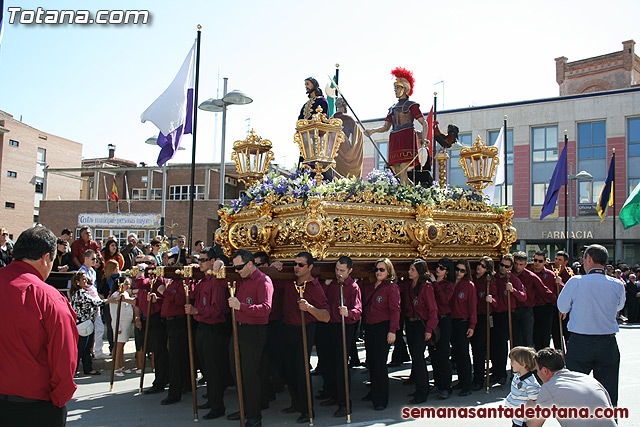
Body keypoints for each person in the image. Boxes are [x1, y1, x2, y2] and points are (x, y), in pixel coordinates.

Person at [0, 226, 78, 427]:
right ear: (46, 258)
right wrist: (58, 401)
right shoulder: (49, 298)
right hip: (34, 406)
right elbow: (65, 357)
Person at [557, 244, 625, 407]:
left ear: (588, 259)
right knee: (608, 394)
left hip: (580, 342)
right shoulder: (617, 284)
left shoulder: (576, 282)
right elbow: (618, 307)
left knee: (575, 393)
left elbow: (562, 307)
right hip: (607, 342)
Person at [225, 249, 273, 427]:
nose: (236, 270)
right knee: (236, 371)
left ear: (250, 264)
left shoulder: (263, 281)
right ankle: (244, 408)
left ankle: (254, 415)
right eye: (235, 267)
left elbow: (266, 309)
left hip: (254, 332)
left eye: (239, 267)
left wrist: (241, 306)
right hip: (238, 329)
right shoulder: (242, 279)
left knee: (249, 374)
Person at [185, 247, 233, 420]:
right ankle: (212, 400)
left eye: (203, 260)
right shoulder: (203, 281)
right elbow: (192, 295)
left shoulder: (217, 282)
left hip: (214, 330)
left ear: (212, 261)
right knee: (206, 368)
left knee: (214, 369)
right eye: (199, 260)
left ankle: (217, 405)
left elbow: (218, 309)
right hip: (202, 328)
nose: (200, 263)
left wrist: (197, 311)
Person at [281, 251, 330, 423]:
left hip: (304, 329)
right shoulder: (289, 282)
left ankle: (308, 410)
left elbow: (326, 316)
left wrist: (309, 308)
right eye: (295, 264)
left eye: (301, 265)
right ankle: (296, 403)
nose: (296, 267)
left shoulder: (315, 288)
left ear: (310, 267)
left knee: (302, 371)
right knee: (289, 370)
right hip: (288, 329)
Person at [365, 67, 430, 184]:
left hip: (406, 137)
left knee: (404, 171)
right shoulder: (392, 108)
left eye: (397, 88)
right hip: (395, 139)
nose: (395, 90)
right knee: (399, 173)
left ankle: (404, 197)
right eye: (394, 88)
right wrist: (372, 131)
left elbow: (424, 123)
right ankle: (415, 192)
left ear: (405, 89)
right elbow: (386, 127)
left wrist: (424, 139)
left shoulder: (411, 105)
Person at [526, 348, 617, 427]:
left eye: (537, 370)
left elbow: (533, 425)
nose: (537, 374)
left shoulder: (549, 387)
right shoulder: (587, 379)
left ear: (545, 371)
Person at [319, 256, 362, 417]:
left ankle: (345, 403)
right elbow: (320, 300)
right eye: (337, 269)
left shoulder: (353, 286)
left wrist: (348, 312)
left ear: (350, 271)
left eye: (342, 270)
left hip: (345, 326)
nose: (338, 273)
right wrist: (326, 285)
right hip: (329, 325)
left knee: (341, 365)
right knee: (328, 362)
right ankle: (333, 394)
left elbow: (358, 311)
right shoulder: (332, 283)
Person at [362, 258, 401, 410]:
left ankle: (381, 399)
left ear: (389, 272)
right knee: (372, 362)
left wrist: (392, 331)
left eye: (382, 269)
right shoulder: (370, 287)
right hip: (370, 328)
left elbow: (395, 310)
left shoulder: (391, 288)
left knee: (379, 364)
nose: (378, 272)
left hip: (383, 328)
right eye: (377, 269)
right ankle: (373, 392)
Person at [400, 259, 438, 403]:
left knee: (418, 357)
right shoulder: (409, 285)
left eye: (412, 270)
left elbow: (432, 309)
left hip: (421, 325)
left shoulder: (426, 287)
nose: (409, 272)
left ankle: (423, 391)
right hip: (410, 324)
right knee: (415, 357)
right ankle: (419, 388)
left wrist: (429, 328)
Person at [488, 254, 526, 385]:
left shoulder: (513, 280)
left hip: (507, 314)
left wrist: (513, 290)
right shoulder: (493, 278)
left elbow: (523, 297)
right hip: (495, 314)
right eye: (502, 265)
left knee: (502, 345)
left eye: (506, 266)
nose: (503, 268)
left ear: (511, 267)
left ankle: (503, 373)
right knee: (494, 344)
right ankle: (496, 371)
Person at [135, 256, 170, 395]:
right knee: (154, 349)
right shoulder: (146, 277)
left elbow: (140, 283)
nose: (142, 266)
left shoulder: (157, 278)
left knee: (159, 351)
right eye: (140, 263)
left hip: (157, 318)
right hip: (147, 316)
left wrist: (142, 270)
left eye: (147, 263)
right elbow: (139, 297)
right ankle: (163, 378)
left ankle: (161, 380)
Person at [513, 251, 553, 349]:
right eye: (516, 264)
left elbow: (545, 291)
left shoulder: (531, 276)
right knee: (516, 340)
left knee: (528, 340)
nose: (518, 267)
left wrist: (559, 302)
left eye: (521, 264)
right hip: (513, 310)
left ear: (525, 265)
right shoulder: (510, 276)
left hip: (527, 310)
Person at [450, 259, 477, 396]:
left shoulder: (469, 285)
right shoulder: (452, 283)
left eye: (462, 270)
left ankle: (467, 384)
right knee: (457, 354)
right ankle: (461, 380)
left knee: (464, 353)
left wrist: (472, 325)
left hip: (463, 322)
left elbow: (472, 307)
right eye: (457, 269)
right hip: (452, 321)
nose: (459, 273)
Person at [430, 258, 456, 399]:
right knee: (433, 353)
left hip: (444, 319)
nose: (438, 270)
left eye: (441, 268)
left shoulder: (449, 284)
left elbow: (444, 299)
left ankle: (446, 386)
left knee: (443, 353)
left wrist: (435, 283)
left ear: (446, 271)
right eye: (437, 267)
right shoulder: (431, 283)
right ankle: (437, 382)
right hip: (432, 319)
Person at [470, 256, 496, 391]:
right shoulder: (472, 280)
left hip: (484, 317)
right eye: (478, 264)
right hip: (472, 317)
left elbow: (497, 302)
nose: (479, 267)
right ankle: (475, 375)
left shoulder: (489, 282)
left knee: (481, 349)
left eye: (483, 266)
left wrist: (491, 300)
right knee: (475, 349)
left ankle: (480, 378)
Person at [529, 251, 560, 350]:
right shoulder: (529, 273)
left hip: (546, 307)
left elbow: (558, 289)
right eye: (535, 260)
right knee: (533, 335)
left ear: (545, 262)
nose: (537, 263)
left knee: (545, 335)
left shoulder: (550, 274)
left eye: (540, 261)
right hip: (533, 307)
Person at [505, 346, 541, 427]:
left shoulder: (531, 384)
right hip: (516, 417)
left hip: (523, 422)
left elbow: (535, 402)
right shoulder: (516, 376)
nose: (511, 363)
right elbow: (514, 394)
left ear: (523, 364)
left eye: (513, 361)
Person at [108, 276, 136, 377]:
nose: (128, 286)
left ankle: (121, 365)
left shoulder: (126, 293)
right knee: (118, 346)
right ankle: (115, 368)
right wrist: (117, 326)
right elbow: (114, 313)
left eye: (129, 284)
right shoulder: (116, 295)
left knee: (122, 345)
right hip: (119, 323)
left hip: (126, 323)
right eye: (126, 284)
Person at [332, 97, 364, 178]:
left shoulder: (330, 120)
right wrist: (354, 152)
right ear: (344, 106)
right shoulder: (348, 119)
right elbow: (358, 136)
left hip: (333, 151)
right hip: (345, 149)